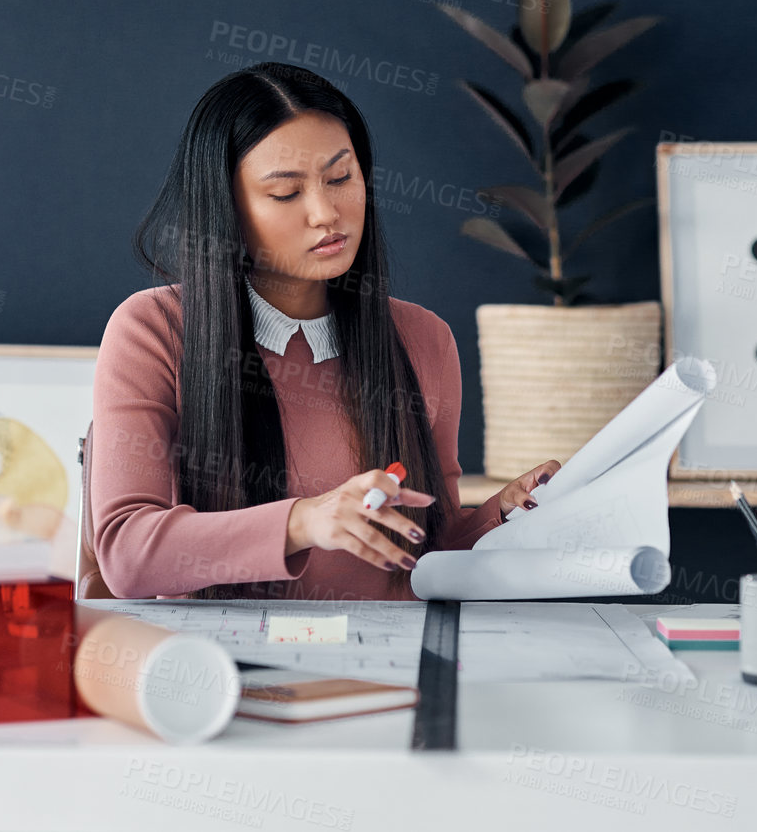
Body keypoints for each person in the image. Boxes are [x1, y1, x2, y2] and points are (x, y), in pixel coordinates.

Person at [88, 62, 558, 599]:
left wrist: (500, 514)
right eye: (286, 193)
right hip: (225, 668)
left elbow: (425, 548)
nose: (326, 213)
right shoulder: (154, 330)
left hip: (385, 669)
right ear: (226, 209)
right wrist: (304, 522)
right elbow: (126, 555)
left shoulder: (424, 338)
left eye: (340, 178)